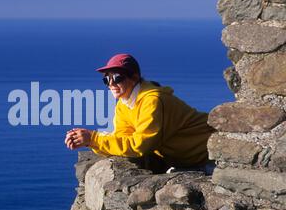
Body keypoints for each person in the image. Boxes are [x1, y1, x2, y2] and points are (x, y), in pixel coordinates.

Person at [64, 53, 216, 174]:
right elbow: (123, 140)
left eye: (117, 78)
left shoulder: (152, 101)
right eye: (107, 80)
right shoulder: (124, 104)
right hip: (186, 159)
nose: (111, 84)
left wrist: (94, 138)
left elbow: (139, 145)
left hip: (208, 153)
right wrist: (90, 140)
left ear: (135, 77)